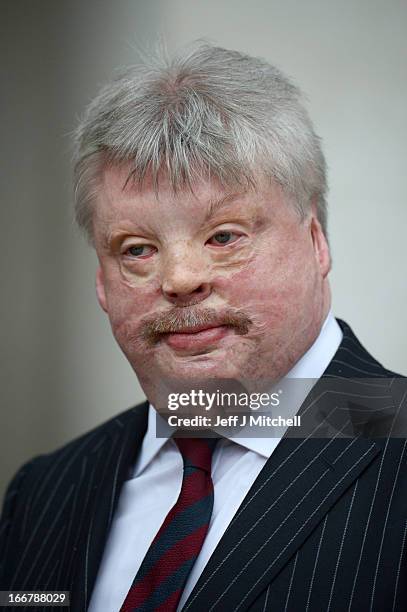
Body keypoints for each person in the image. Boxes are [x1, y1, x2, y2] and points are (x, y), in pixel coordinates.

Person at [0, 42, 406, 612]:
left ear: (317, 242)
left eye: (224, 236)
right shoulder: (43, 492)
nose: (180, 277)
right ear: (101, 282)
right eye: (136, 248)